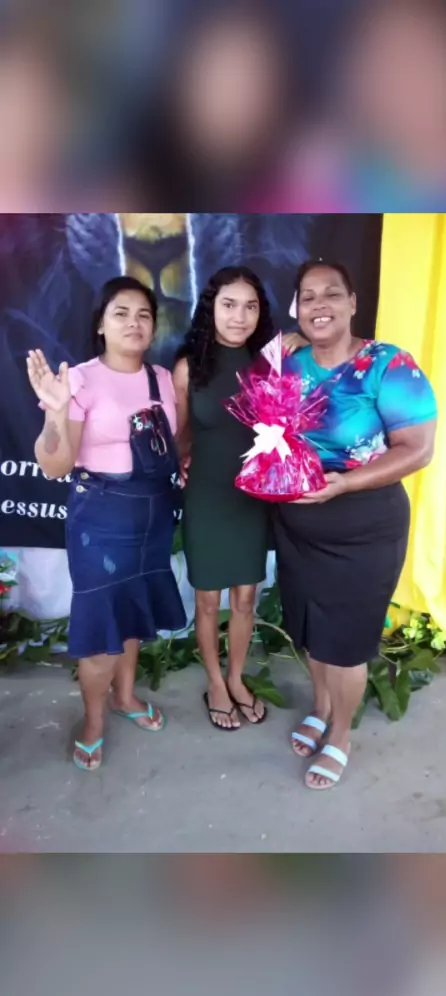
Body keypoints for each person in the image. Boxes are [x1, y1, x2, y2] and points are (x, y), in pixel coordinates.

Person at [273, 259, 437, 789]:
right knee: (311, 633)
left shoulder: (388, 365)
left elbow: (417, 450)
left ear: (352, 303)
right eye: (308, 296)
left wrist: (344, 483)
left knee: (343, 645)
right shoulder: (290, 365)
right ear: (298, 309)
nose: (319, 304)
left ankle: (340, 734)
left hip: (363, 529)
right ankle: (321, 708)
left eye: (331, 294)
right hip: (297, 528)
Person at [27, 276, 186, 771]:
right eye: (121, 313)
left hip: (153, 512)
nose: (134, 323)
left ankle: (125, 696)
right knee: (102, 626)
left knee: (134, 611)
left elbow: (172, 444)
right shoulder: (80, 380)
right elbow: (55, 465)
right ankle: (93, 720)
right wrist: (55, 414)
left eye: (144, 315)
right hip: (100, 517)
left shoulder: (162, 379)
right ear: (101, 323)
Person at [173, 265, 305, 730]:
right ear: (211, 308)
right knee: (208, 600)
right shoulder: (188, 367)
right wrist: (183, 459)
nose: (239, 316)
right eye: (229, 305)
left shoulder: (271, 360)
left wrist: (300, 342)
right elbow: (182, 434)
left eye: (250, 307)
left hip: (253, 496)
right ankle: (214, 682)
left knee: (246, 598)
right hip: (207, 496)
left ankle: (236, 677)